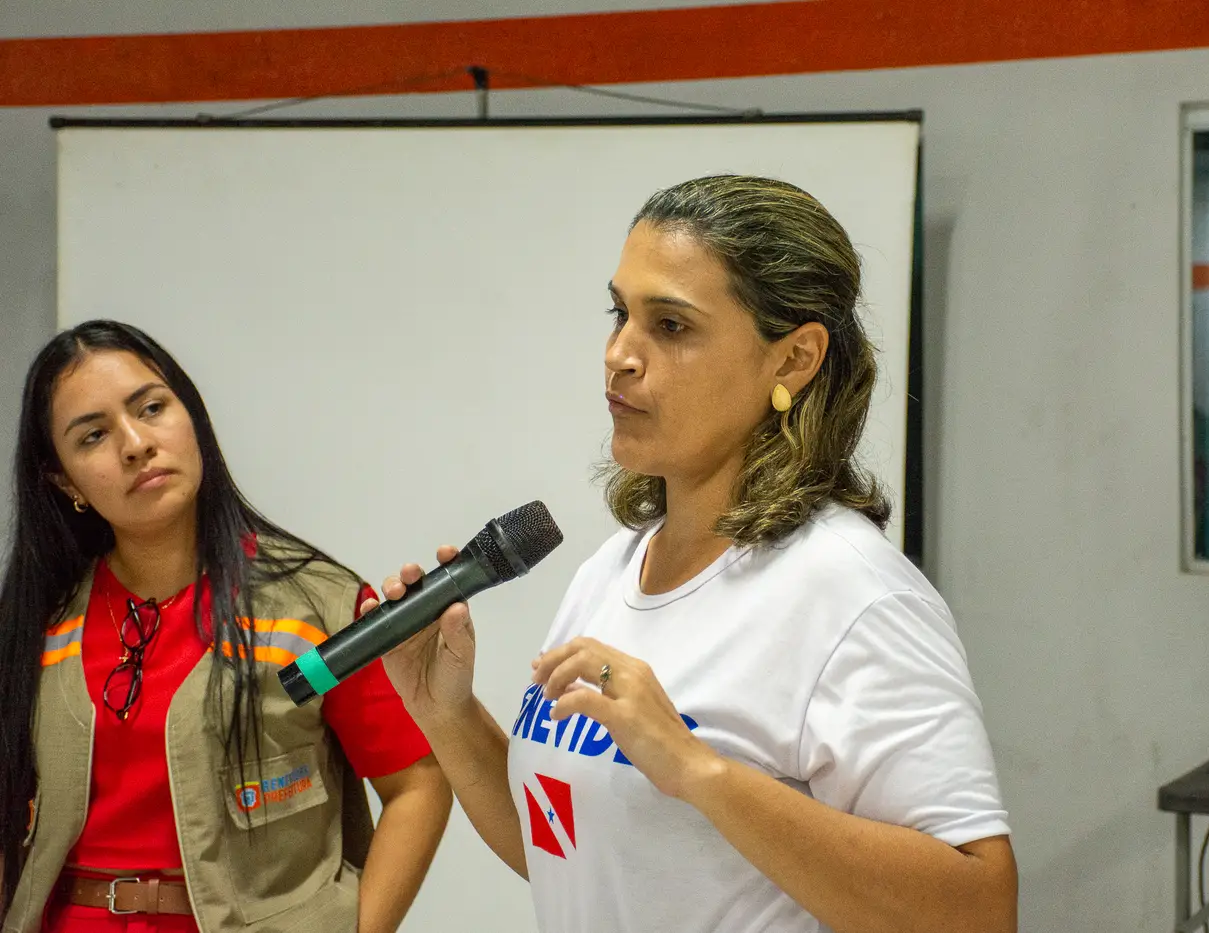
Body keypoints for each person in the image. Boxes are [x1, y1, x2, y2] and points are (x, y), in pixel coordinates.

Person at [372, 175, 1017, 933]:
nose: (619, 354)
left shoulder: (853, 594)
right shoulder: (610, 571)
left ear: (794, 359)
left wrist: (698, 770)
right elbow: (570, 853)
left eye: (671, 325)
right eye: (620, 313)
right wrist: (445, 713)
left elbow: (981, 910)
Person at [0, 321, 453, 933]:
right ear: (64, 480)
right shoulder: (39, 623)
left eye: (151, 408)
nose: (135, 444)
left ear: (192, 417)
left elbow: (417, 785)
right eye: (94, 436)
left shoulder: (315, 606)